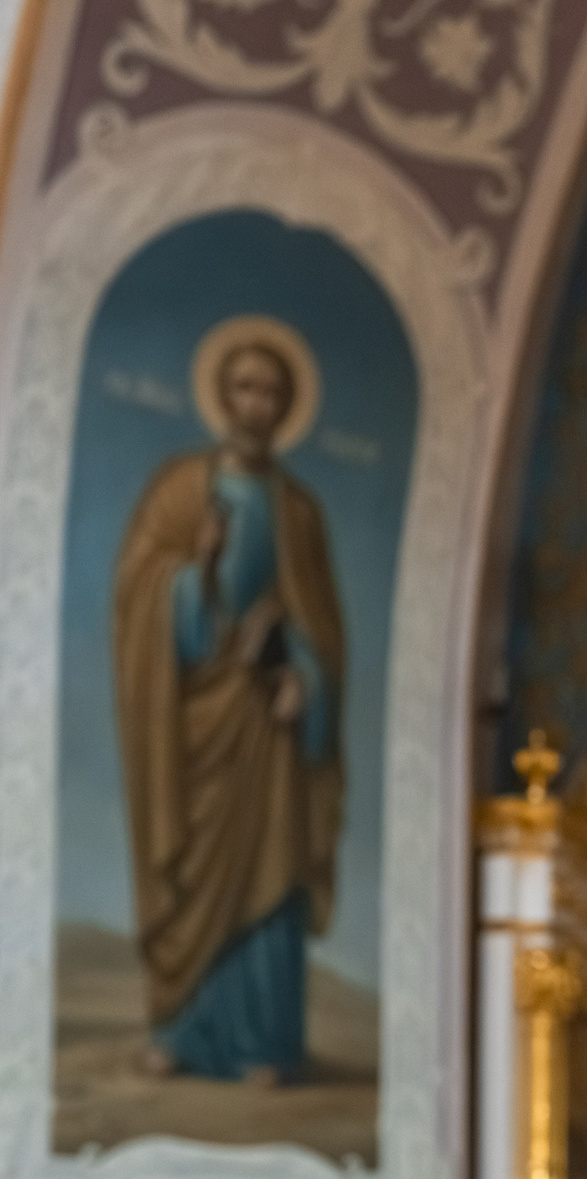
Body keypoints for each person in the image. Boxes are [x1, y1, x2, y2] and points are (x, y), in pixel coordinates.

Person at [112, 333, 345, 1085]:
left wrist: (300, 676)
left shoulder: (298, 512)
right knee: (197, 862)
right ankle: (180, 1027)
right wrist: (196, 570)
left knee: (268, 869)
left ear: (286, 408)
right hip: (196, 715)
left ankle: (262, 1043)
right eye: (244, 388)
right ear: (223, 395)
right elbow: (137, 591)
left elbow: (321, 626)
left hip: (265, 724)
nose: (257, 405)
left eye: (272, 392)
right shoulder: (181, 487)